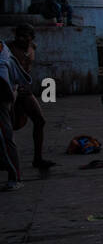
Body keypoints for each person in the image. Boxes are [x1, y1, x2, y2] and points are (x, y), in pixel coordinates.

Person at [9, 25, 54, 171]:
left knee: (40, 121)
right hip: (9, 91)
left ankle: (38, 158)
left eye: (24, 36)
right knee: (8, 126)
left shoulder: (32, 47)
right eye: (18, 35)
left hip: (25, 90)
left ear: (31, 37)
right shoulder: (8, 48)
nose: (20, 39)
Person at [0, 38, 31, 190]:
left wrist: (12, 96)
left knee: (6, 139)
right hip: (9, 94)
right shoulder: (5, 49)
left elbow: (6, 86)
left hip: (4, 98)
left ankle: (15, 177)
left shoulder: (3, 55)